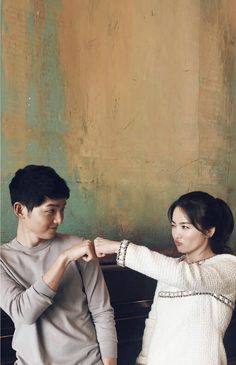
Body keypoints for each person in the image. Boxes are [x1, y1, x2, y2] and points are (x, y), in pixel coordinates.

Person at [94, 191, 236, 365]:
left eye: (185, 227)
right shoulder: (170, 269)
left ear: (209, 231)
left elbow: (186, 277)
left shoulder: (228, 266)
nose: (177, 234)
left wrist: (118, 247)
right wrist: (143, 360)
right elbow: (154, 320)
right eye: (173, 225)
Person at [0, 165, 117, 365]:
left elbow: (102, 311)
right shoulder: (3, 260)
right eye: (50, 211)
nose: (59, 219)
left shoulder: (79, 247)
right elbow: (23, 313)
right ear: (20, 210)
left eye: (62, 209)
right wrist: (63, 259)